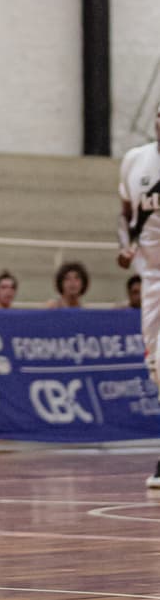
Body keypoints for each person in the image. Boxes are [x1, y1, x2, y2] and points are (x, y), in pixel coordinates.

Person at [117, 108, 160, 489]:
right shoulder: (136, 159)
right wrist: (125, 246)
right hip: (151, 278)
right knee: (156, 369)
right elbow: (126, 215)